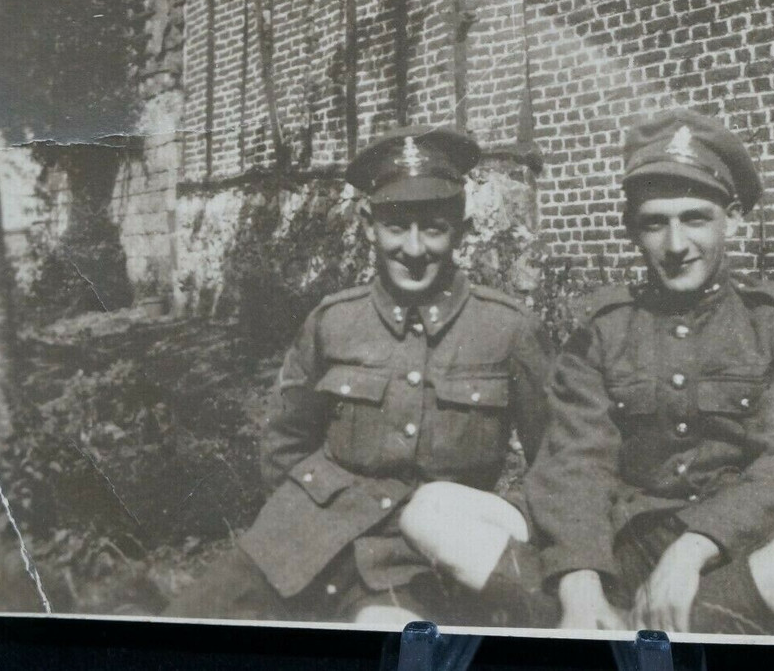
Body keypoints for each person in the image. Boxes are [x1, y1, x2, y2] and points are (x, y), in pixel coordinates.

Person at [167, 125, 552, 627]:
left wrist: (485, 533)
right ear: (369, 226)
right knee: (182, 628)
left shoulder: (506, 330)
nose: (413, 248)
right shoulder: (333, 322)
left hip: (417, 563)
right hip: (303, 538)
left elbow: (556, 465)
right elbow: (285, 444)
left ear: (461, 229)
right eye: (396, 226)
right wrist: (300, 519)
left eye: (433, 228)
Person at [524, 109, 774, 636]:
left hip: (735, 549)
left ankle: (647, 635)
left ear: (732, 220)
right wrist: (580, 576)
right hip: (625, 542)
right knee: (447, 515)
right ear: (632, 229)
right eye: (655, 223)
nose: (675, 245)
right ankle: (606, 620)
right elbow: (573, 462)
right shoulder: (602, 329)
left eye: (694, 218)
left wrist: (694, 547)